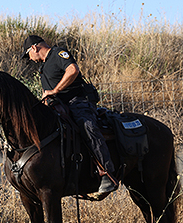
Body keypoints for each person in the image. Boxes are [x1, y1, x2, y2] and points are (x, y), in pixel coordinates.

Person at [22, 35, 117, 199]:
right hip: (57, 108)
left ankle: (107, 173)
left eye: (28, 54)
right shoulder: (43, 68)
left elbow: (73, 70)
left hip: (77, 103)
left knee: (87, 127)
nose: (29, 59)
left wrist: (55, 91)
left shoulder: (58, 54)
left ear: (34, 48)